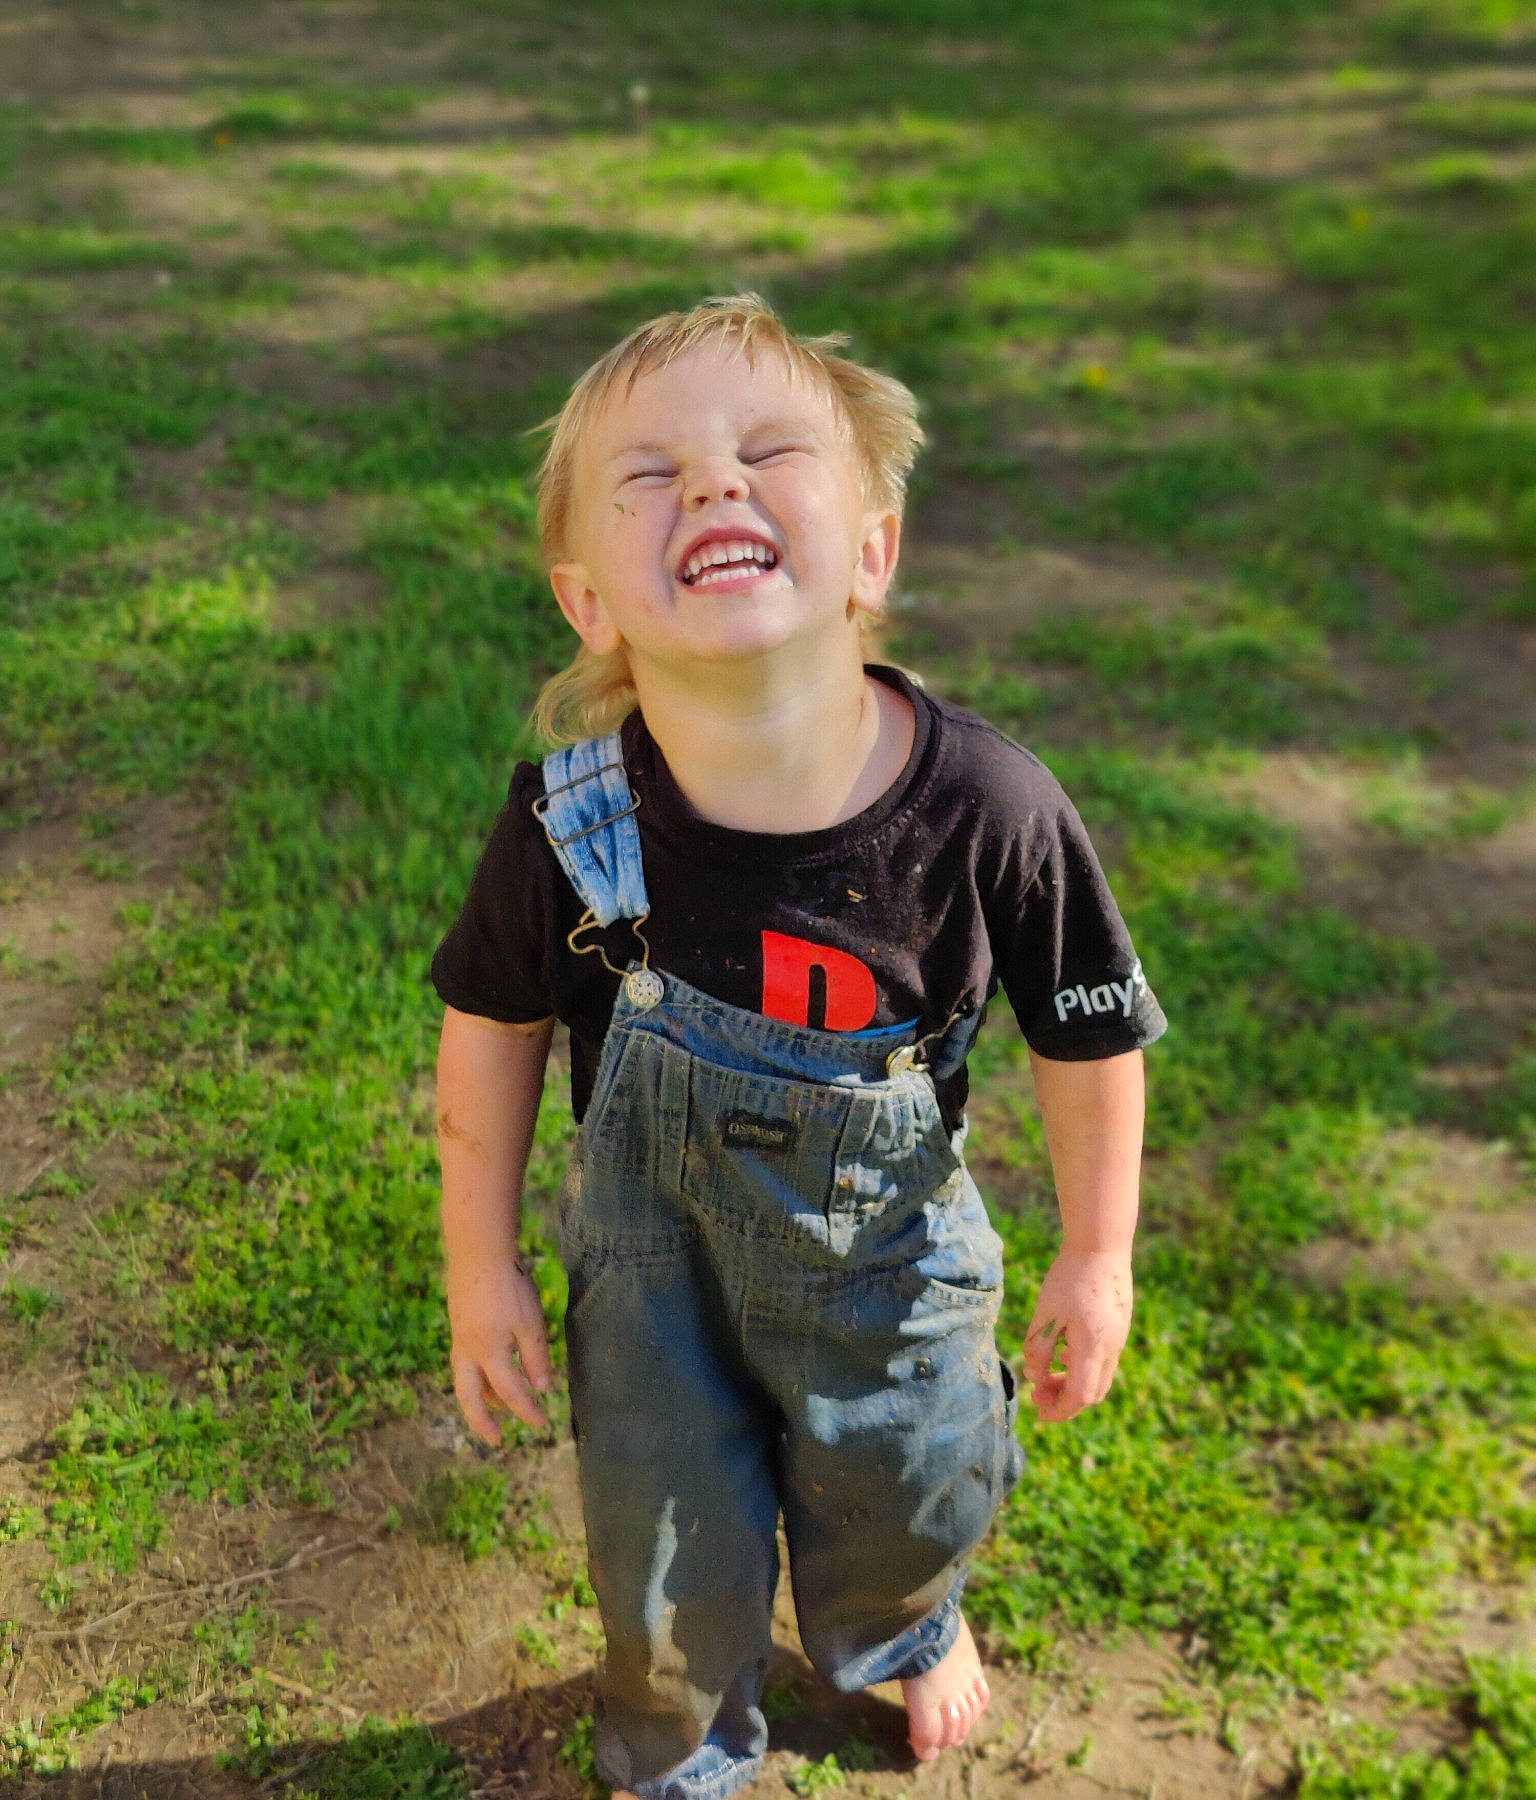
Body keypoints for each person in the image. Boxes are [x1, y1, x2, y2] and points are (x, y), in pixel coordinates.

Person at [432, 294, 1165, 1800]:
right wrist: (477, 1256)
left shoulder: (991, 812)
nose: (712, 484)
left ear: (875, 553)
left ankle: (900, 1627)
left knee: (906, 1490)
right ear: (591, 602)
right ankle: (683, 1741)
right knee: (657, 1539)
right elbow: (492, 1027)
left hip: (887, 1271)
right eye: (652, 476)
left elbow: (1088, 1040)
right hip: (653, 1286)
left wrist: (1101, 1252)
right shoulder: (571, 828)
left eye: (768, 451)